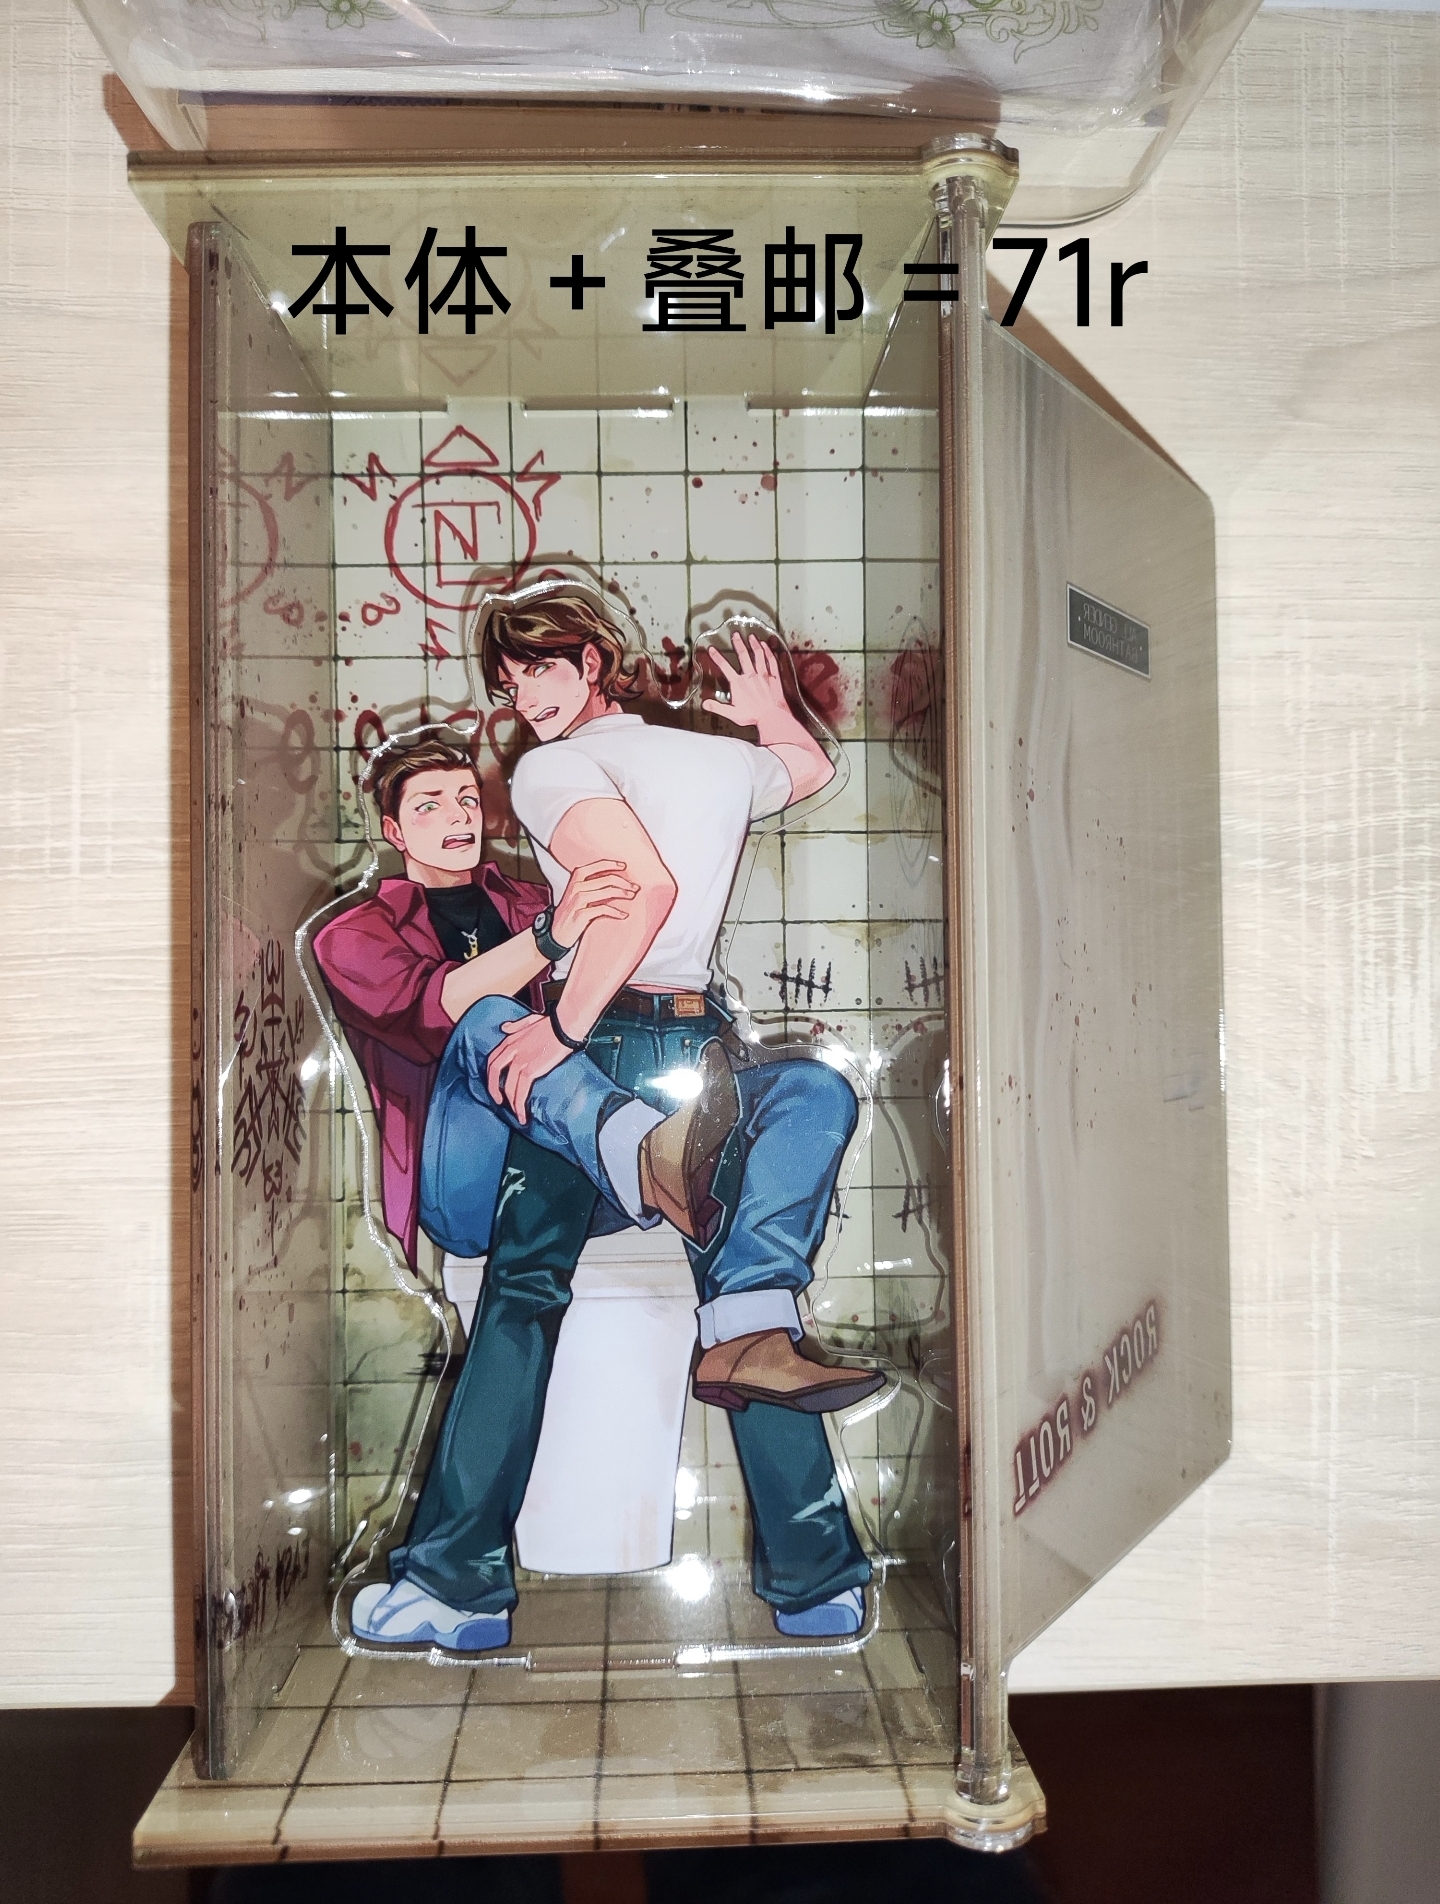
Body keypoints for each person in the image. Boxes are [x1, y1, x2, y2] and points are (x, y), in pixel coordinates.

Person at [338, 588, 879, 1653]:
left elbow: (637, 890)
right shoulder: (712, 757)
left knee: (523, 1292)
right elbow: (805, 772)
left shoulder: (551, 770)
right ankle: (818, 1581)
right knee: (746, 1312)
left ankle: (455, 1585)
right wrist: (771, 713)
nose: (526, 698)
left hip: (604, 1038)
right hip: (701, 1048)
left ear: (594, 661)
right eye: (510, 683)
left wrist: (561, 1028)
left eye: (541, 669)